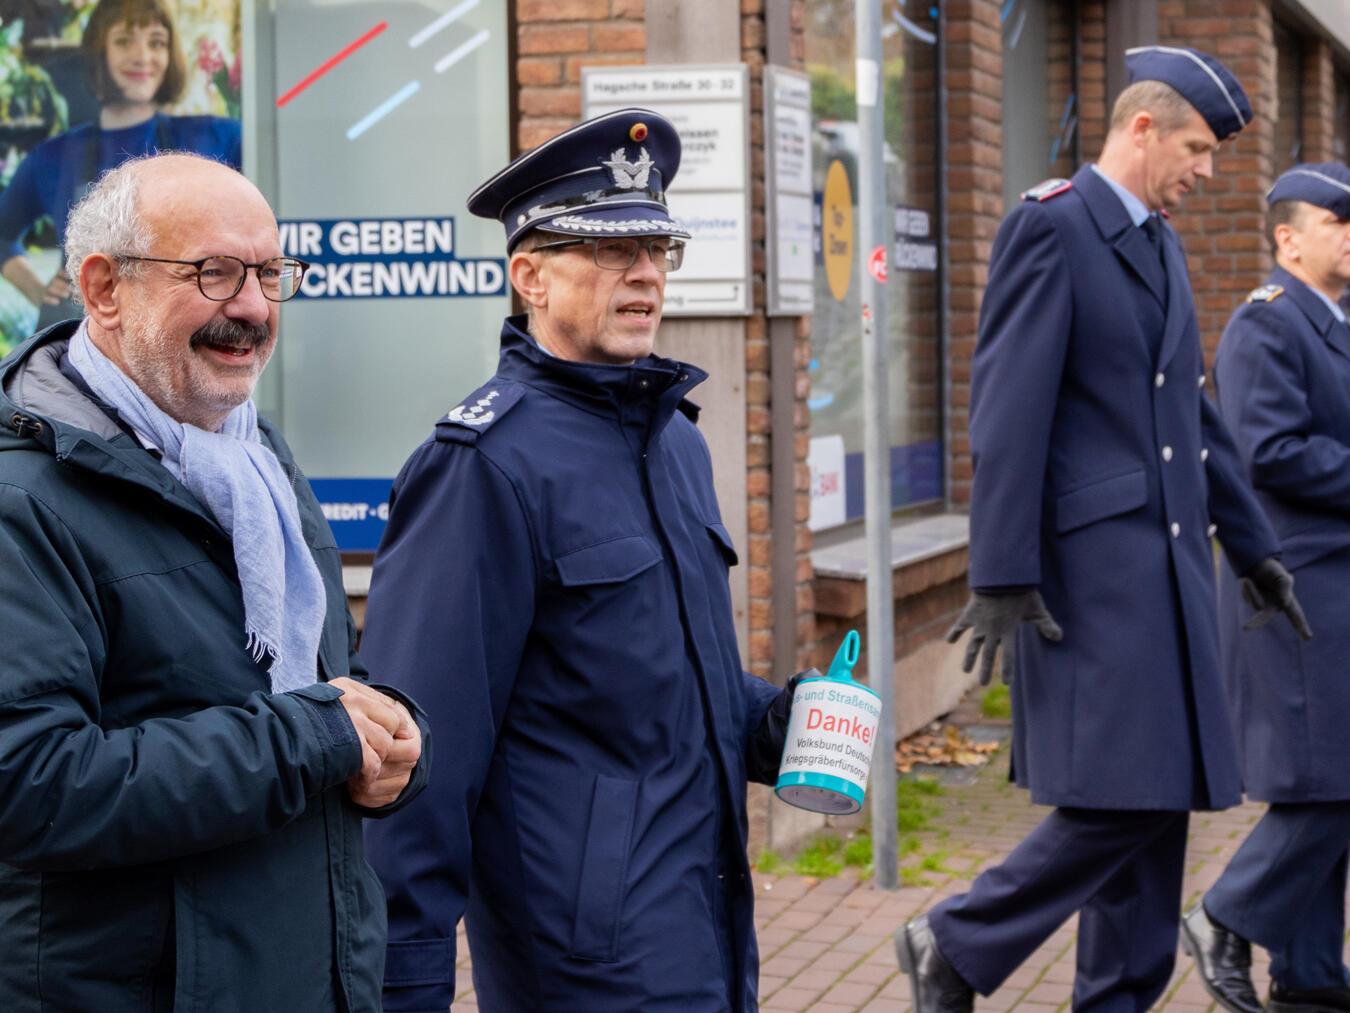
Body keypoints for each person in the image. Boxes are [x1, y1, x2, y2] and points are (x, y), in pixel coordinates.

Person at [895, 47, 1310, 1012]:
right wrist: (999, 571)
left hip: (1164, 571)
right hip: (1087, 577)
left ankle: (1116, 994)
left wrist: (1256, 550)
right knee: (1127, 798)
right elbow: (1007, 410)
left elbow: (1194, 417)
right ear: (1141, 129)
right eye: (1198, 149)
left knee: (1157, 806)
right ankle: (954, 941)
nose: (1206, 173)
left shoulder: (1159, 242)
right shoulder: (1053, 230)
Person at [361, 107, 796, 1012]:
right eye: (608, 250)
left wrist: (776, 721)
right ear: (529, 276)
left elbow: (645, 683)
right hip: (582, 960)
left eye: (656, 249)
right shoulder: (481, 466)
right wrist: (402, 978)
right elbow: (414, 750)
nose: (643, 272)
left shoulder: (674, 440)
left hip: (707, 924)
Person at [0, 152, 428, 1012]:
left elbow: (306, 686)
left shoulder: (255, 457)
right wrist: (312, 738)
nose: (254, 307)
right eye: (215, 272)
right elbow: (32, 782)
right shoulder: (22, 500)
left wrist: (390, 745)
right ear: (103, 288)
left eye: (271, 273)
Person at [1179, 163, 1350, 1013]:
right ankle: (1223, 912)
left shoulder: (1334, 325)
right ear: (1288, 238)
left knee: (1328, 780)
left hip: (1332, 587)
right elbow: (1268, 450)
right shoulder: (1264, 325)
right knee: (1337, 776)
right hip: (1296, 587)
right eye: (1337, 221)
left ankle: (1312, 976)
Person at [0, 0, 241, 327]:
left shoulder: (213, 138)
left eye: (156, 42)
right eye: (125, 41)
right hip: (82, 346)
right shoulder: (55, 157)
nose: (142, 56)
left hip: (181, 334)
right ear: (98, 52)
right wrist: (38, 289)